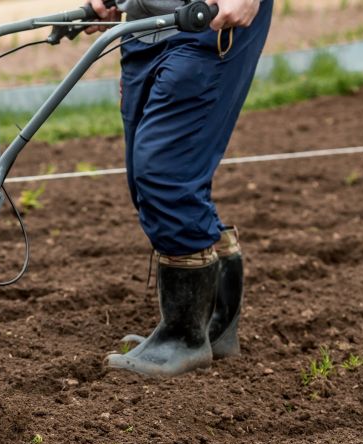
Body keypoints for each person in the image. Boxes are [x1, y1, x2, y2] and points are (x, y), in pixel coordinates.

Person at [86, 0, 274, 377]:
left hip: (210, 19)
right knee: (146, 176)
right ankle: (211, 326)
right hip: (144, 29)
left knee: (163, 171)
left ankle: (183, 338)